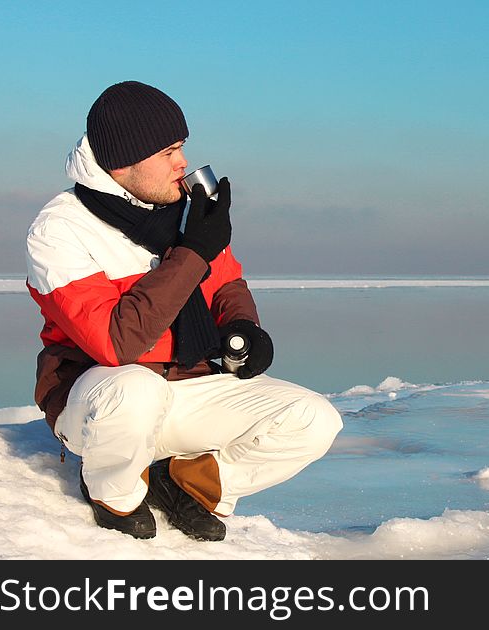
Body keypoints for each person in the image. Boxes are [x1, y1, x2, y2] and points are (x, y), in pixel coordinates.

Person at [26, 81, 343, 541]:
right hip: (101, 400)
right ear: (122, 162)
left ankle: (182, 482)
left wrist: (242, 327)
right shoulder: (60, 229)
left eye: (183, 149)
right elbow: (117, 343)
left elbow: (226, 282)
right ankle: (114, 493)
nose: (183, 164)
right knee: (135, 389)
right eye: (169, 152)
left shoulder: (180, 210)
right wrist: (193, 249)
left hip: (188, 386)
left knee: (313, 419)